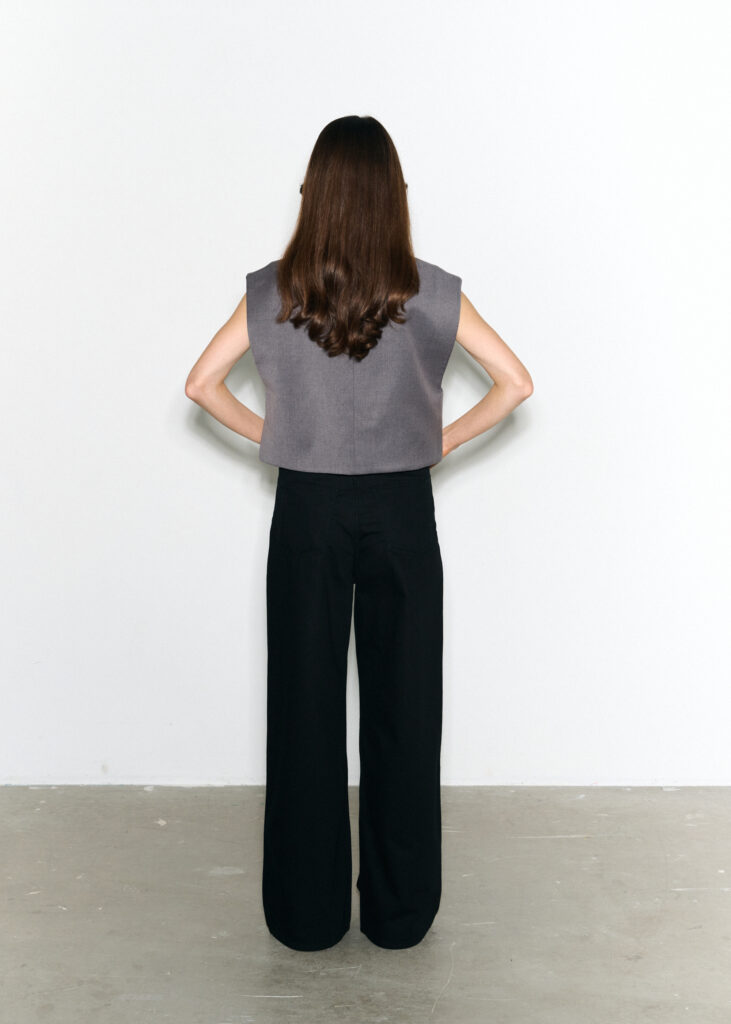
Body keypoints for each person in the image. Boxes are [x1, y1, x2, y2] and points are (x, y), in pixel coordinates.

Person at [185, 115, 534, 952]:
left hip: (306, 511)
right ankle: (399, 914)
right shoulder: (431, 290)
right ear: (392, 195)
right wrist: (436, 440)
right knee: (404, 711)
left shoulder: (273, 291)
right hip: (401, 511)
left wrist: (280, 437)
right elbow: (514, 383)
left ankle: (305, 918)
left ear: (314, 194)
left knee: (302, 710)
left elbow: (201, 385)